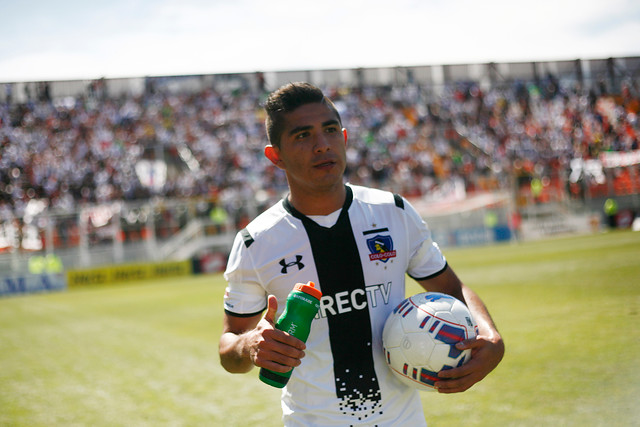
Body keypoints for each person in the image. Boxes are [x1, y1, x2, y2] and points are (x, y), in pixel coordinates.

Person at [219, 82, 505, 426]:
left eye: (329, 131)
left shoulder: (392, 212)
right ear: (275, 155)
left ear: (344, 137)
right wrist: (249, 345)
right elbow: (229, 345)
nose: (321, 145)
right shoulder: (257, 242)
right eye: (302, 136)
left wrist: (490, 335)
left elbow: (451, 289)